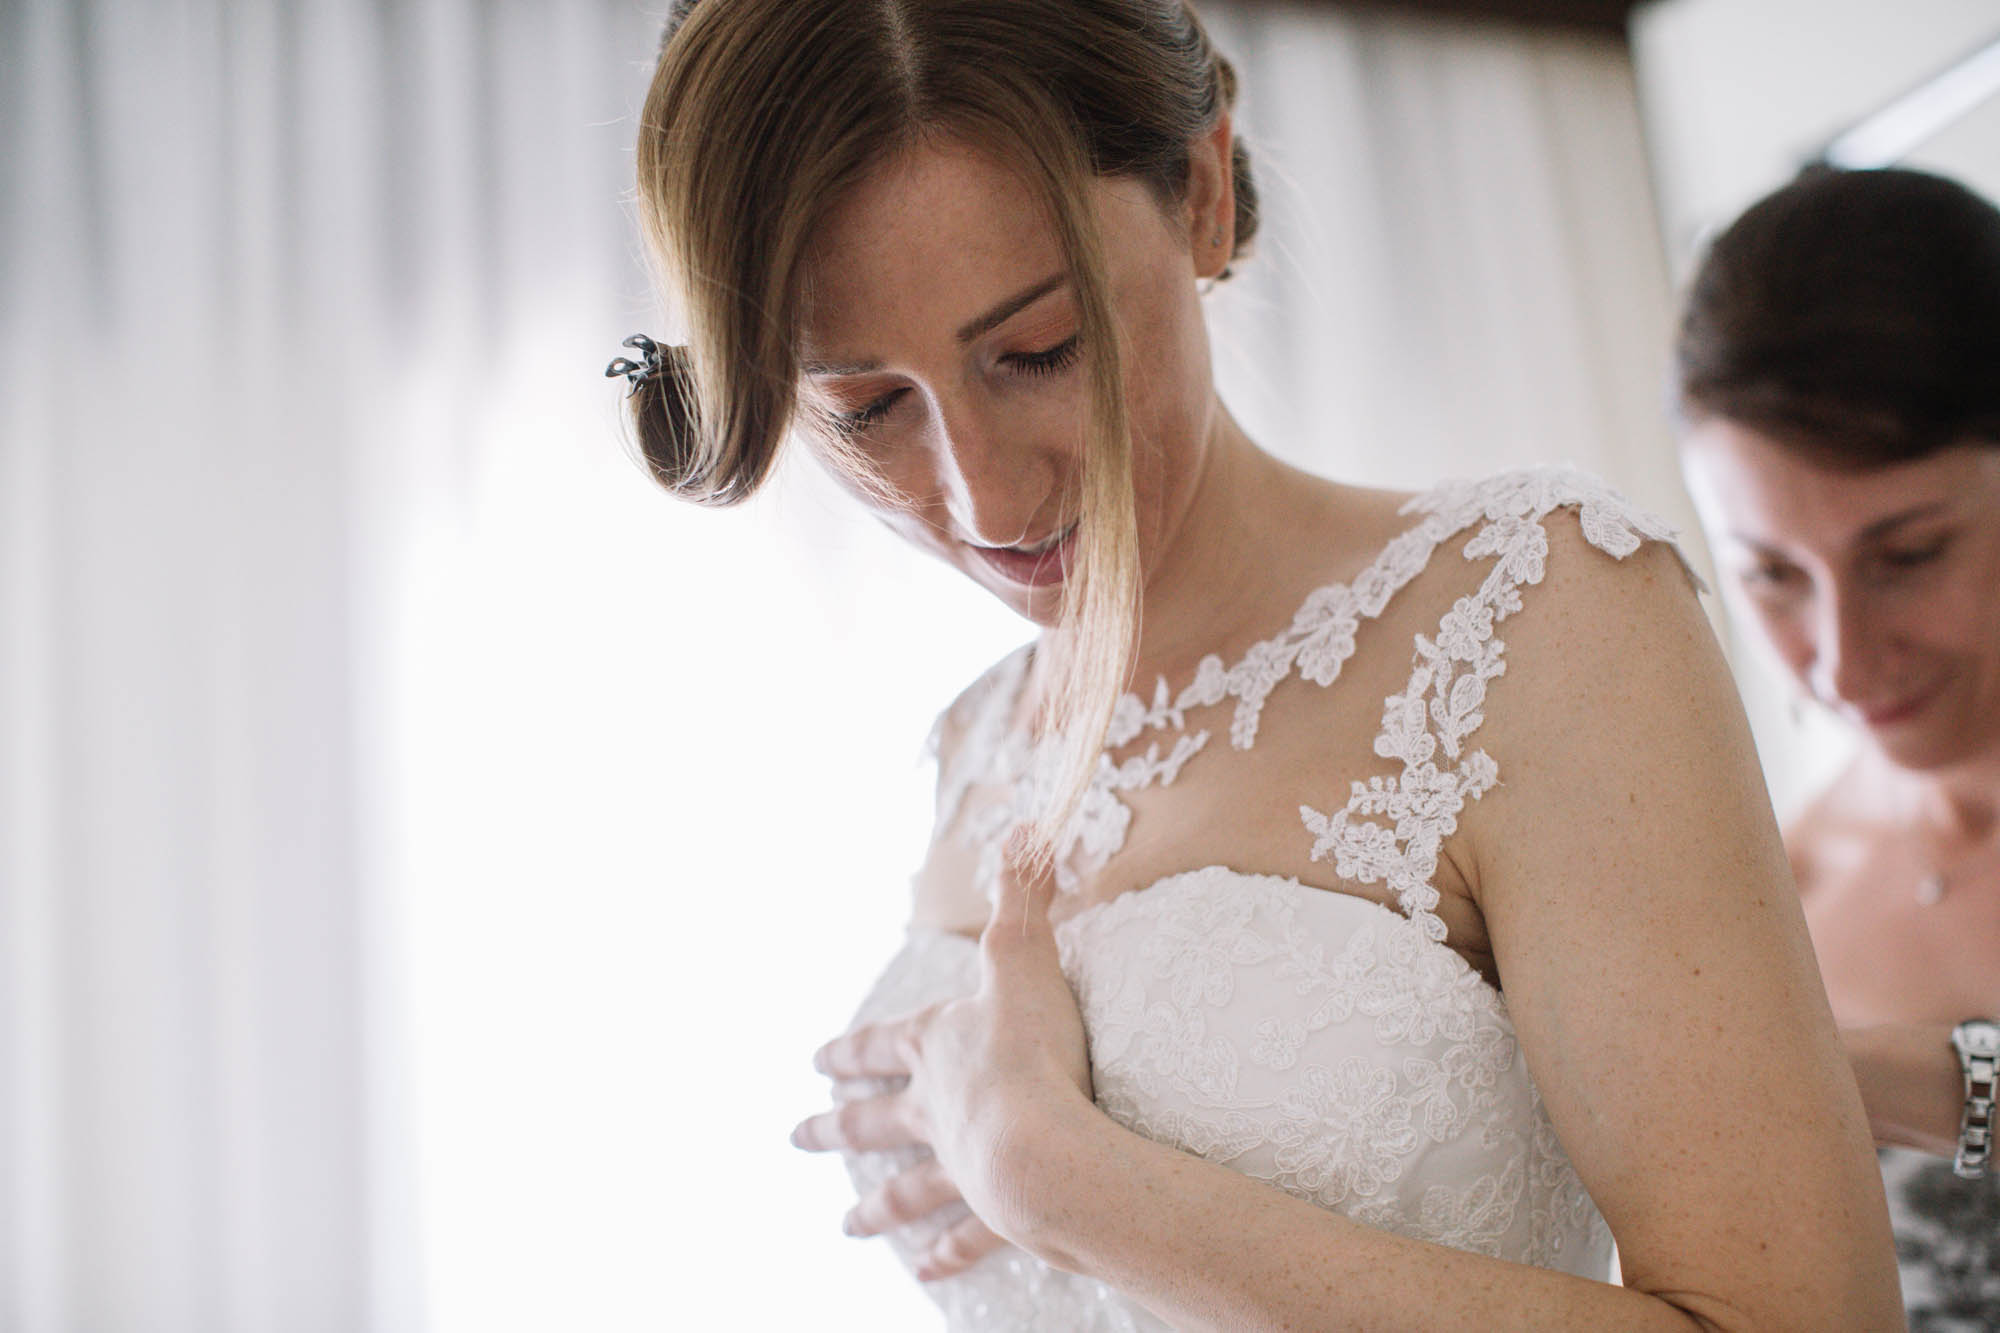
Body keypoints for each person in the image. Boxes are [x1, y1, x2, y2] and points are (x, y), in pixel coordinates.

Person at [618, 1, 1904, 1326]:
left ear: (1208, 193)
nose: (988, 502)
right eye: (867, 409)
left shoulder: (1532, 615)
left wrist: (1073, 1187)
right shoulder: (976, 746)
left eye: (1042, 349)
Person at [1675, 163, 2000, 1329]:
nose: (1843, 664)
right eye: (1769, 575)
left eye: (1905, 554)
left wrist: (1919, 1083)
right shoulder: (1782, 889)